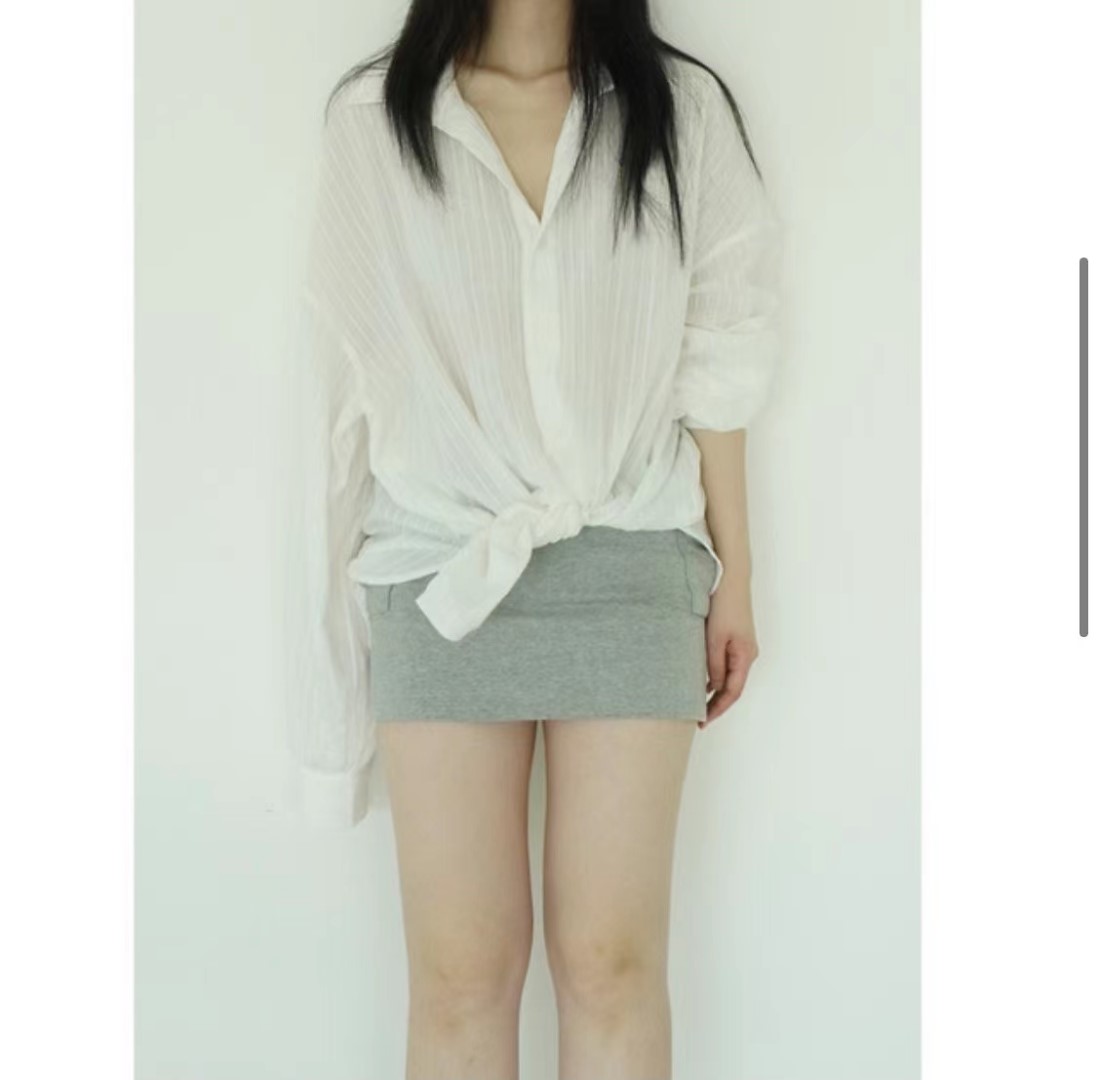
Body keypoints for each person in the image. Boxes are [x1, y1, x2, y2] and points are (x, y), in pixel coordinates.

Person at [281, 0, 783, 1076]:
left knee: (610, 964)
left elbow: (720, 356)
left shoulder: (680, 112)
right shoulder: (372, 123)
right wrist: (327, 701)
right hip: (440, 573)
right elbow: (333, 406)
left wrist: (735, 575)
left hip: (631, 562)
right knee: (460, 976)